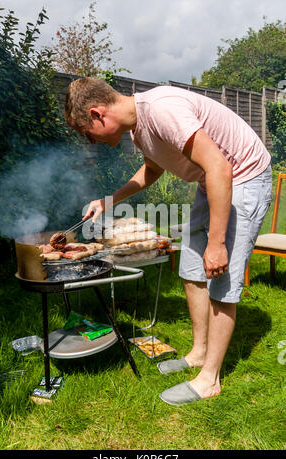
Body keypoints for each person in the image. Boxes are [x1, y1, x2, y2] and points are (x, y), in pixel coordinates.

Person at [65, 77, 272, 405]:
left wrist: (217, 243)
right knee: (191, 264)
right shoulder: (139, 127)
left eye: (86, 132)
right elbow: (152, 169)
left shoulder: (161, 110)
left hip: (242, 176)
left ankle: (210, 380)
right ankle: (199, 354)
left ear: (97, 114)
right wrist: (110, 200)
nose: (90, 141)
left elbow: (220, 167)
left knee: (222, 275)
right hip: (211, 179)